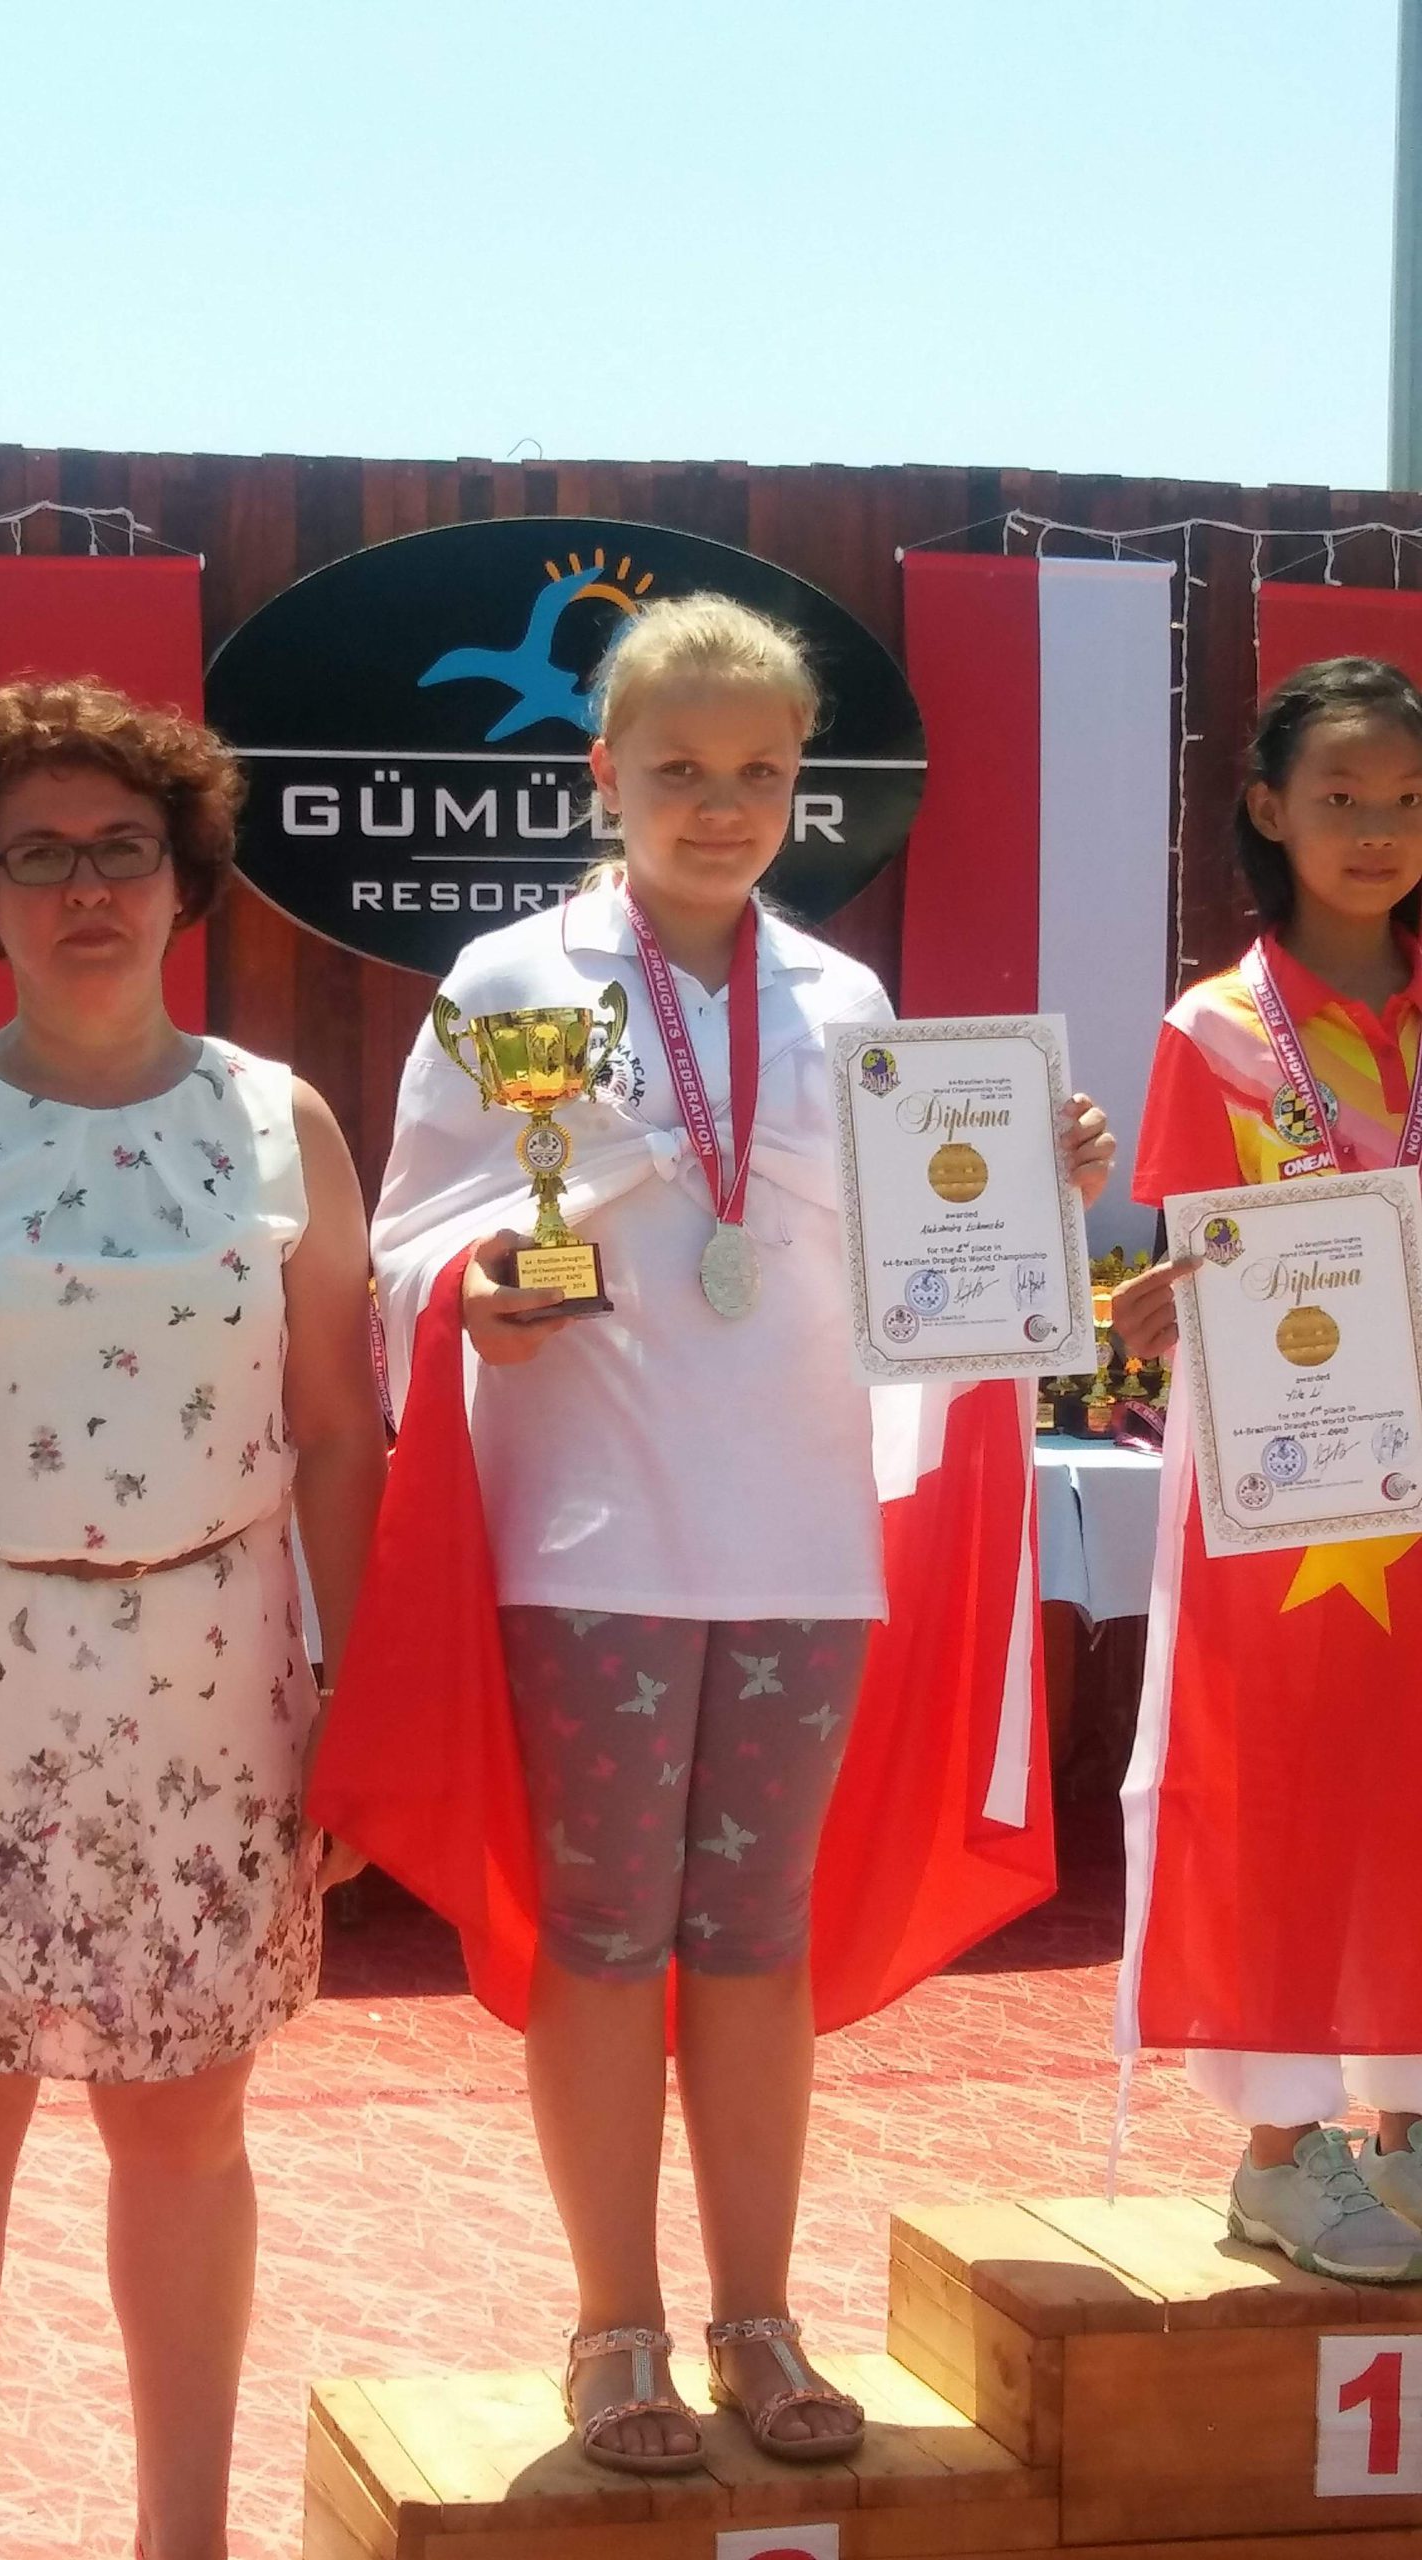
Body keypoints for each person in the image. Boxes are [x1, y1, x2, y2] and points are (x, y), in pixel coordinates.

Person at [314, 593, 1113, 2473]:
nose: (721, 804)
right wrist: (477, 1286)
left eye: (759, 772)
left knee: (757, 1931)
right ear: (605, 773)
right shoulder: (510, 980)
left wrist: (1028, 1184)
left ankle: (760, 2315)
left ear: (799, 786)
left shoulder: (848, 1006)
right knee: (604, 1928)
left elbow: (921, 1271)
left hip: (803, 1536)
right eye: (678, 768)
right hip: (588, 1530)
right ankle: (616, 2326)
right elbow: (407, 1242)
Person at [0, 679, 388, 2560]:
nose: (87, 888)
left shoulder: (278, 1122)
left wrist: (358, 1699)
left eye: (122, 849)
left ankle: (185, 2544)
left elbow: (337, 1430)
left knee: (181, 2137)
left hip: (214, 1697)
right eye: (39, 854)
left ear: (183, 877)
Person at [1112, 655, 1422, 2283]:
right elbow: (1194, 1258)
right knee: (1284, 1785)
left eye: (1408, 799)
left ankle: (1410, 2125)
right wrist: (1168, 1299)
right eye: (1341, 797)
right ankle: (1281, 2152)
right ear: (1268, 810)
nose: (1377, 831)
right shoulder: (1216, 1031)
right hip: (1282, 1488)